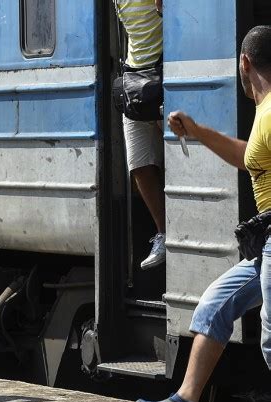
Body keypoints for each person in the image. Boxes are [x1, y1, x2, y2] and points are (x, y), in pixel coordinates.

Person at [135, 25, 271, 402]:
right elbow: (250, 156)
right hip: (266, 243)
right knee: (215, 303)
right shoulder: (264, 112)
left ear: (244, 64)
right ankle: (184, 401)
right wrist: (197, 132)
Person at [115, 0, 166, 269]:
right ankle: (164, 233)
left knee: (174, 155)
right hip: (135, 75)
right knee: (138, 164)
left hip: (164, 70)